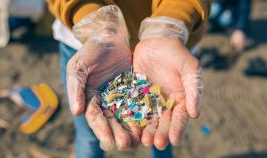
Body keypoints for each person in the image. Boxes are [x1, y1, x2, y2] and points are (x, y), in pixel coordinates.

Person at [47, 1, 211, 158]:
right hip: (90, 44)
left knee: (163, 135)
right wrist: (97, 28)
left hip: (171, 49)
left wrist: (170, 24)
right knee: (89, 137)